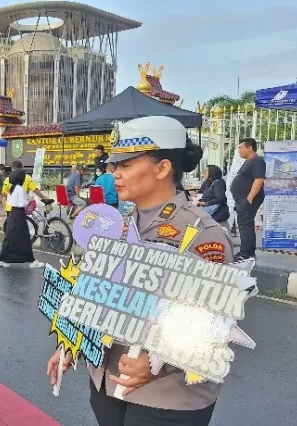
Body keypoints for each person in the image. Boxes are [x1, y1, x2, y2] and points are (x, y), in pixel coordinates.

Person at [48, 116, 234, 426]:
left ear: (162, 168)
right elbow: (98, 296)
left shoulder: (201, 234)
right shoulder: (117, 227)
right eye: (115, 165)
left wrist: (156, 362)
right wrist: (72, 342)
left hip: (167, 397)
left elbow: (213, 319)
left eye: (127, 165)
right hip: (108, 384)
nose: (115, 174)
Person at [0, 169, 44, 268]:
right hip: (19, 214)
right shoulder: (19, 189)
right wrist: (29, 200)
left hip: (13, 213)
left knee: (10, 238)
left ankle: (1, 259)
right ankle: (32, 261)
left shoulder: (12, 188)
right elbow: (22, 203)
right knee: (24, 237)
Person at [230, 137, 265, 259]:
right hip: (242, 199)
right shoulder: (249, 161)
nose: (239, 150)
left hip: (248, 199)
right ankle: (249, 252)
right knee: (246, 225)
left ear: (249, 148)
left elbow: (259, 179)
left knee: (244, 225)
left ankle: (246, 253)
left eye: (240, 147)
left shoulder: (257, 161)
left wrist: (249, 198)